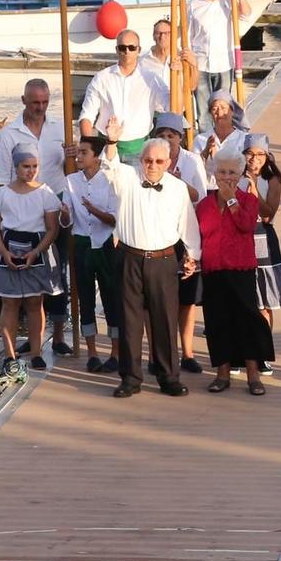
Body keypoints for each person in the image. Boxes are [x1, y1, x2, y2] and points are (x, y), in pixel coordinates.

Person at [100, 137, 203, 397]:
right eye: (148, 160)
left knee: (165, 320)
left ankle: (169, 377)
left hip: (164, 260)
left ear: (168, 163)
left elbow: (187, 226)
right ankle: (130, 379)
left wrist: (192, 256)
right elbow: (110, 164)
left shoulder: (179, 188)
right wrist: (112, 140)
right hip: (129, 257)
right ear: (140, 160)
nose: (153, 165)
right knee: (129, 320)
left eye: (158, 161)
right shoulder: (126, 177)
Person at [0, 78, 73, 357]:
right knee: (22, 279)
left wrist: (71, 157)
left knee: (58, 270)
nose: (40, 107)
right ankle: (31, 339)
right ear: (24, 100)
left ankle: (60, 334)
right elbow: (2, 179)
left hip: (55, 201)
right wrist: (4, 219)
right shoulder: (8, 135)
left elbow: (68, 169)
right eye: (35, 102)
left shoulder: (60, 127)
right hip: (20, 209)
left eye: (45, 102)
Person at [194, 151, 274, 394]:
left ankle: (253, 375)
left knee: (246, 320)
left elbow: (247, 225)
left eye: (231, 173)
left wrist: (231, 201)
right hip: (213, 268)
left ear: (240, 174)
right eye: (222, 172)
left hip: (241, 267)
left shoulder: (248, 200)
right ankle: (222, 373)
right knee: (217, 322)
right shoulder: (205, 204)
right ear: (214, 174)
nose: (227, 177)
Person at [0, 144, 63, 376]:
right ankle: (10, 355)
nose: (31, 171)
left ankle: (36, 351)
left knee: (34, 303)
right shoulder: (2, 194)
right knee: (9, 303)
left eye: (34, 166)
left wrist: (37, 252)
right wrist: (4, 252)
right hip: (9, 248)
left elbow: (52, 229)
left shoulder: (46, 193)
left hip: (36, 249)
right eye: (26, 166)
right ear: (16, 167)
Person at [150, 111, 208, 374]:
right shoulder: (149, 160)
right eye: (161, 135)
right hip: (158, 236)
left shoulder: (193, 161)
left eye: (171, 136)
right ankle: (158, 355)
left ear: (180, 138)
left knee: (187, 299)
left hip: (186, 235)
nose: (166, 140)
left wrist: (174, 179)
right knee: (158, 299)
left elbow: (200, 198)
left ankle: (187, 352)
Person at [60, 135, 122, 374]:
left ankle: (115, 352)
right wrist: (64, 214)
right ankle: (92, 353)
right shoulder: (70, 181)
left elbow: (113, 219)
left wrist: (93, 210)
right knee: (84, 299)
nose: (78, 156)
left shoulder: (109, 180)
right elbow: (66, 221)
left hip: (105, 243)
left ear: (96, 156)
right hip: (81, 244)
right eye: (79, 152)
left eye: (84, 152)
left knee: (111, 299)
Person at [79, 29, 160, 160]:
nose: (127, 51)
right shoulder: (101, 78)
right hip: (104, 147)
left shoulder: (151, 78)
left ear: (139, 50)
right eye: (123, 47)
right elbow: (87, 115)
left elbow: (174, 106)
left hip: (138, 150)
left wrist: (179, 73)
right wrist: (89, 149)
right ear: (116, 50)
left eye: (132, 47)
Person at [240, 133, 281, 327]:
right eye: (250, 153)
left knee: (263, 301)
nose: (254, 159)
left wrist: (254, 193)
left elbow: (269, 214)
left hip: (262, 236)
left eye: (260, 154)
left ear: (267, 156)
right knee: (244, 297)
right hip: (240, 236)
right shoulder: (235, 174)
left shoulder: (272, 179)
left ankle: (264, 348)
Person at [187, 0, 247, 118]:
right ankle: (205, 139)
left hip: (224, 63)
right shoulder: (193, 5)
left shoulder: (229, 1)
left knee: (223, 108)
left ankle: (223, 138)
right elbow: (187, 35)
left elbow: (246, 14)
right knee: (203, 112)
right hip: (201, 64)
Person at [196, 94, 248, 188]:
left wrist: (217, 158)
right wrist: (205, 152)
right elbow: (194, 168)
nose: (219, 113)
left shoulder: (244, 138)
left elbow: (247, 168)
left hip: (237, 190)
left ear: (232, 111)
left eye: (224, 108)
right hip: (209, 190)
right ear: (210, 113)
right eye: (215, 109)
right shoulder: (200, 139)